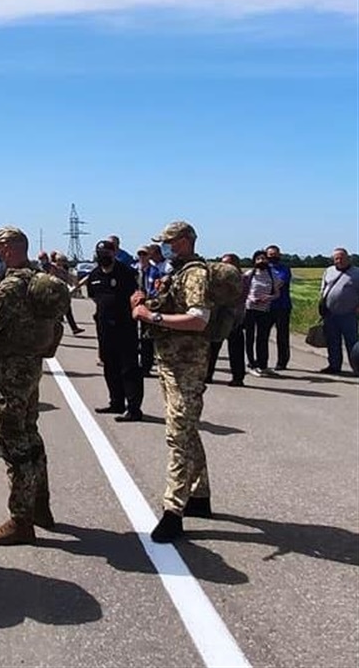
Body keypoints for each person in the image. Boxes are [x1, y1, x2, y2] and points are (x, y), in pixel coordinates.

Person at [0, 226, 54, 546]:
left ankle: (21, 519)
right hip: (31, 366)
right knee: (30, 434)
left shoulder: (12, 286)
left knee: (13, 442)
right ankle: (40, 506)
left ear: (8, 249)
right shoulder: (36, 278)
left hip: (9, 372)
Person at [132, 221, 214, 543]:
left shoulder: (195, 274)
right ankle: (200, 494)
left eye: (168, 242)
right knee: (186, 428)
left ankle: (172, 511)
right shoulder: (176, 272)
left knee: (177, 436)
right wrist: (143, 303)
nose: (163, 247)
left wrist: (151, 317)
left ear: (184, 241)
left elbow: (198, 319)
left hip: (187, 365)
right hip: (169, 361)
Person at [85, 240, 144, 422]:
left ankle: (133, 408)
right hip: (104, 328)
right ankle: (116, 402)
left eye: (107, 253)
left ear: (114, 253)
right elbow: (94, 296)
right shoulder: (94, 275)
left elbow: (138, 296)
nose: (103, 257)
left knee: (129, 369)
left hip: (125, 327)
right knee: (110, 367)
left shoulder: (127, 273)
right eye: (100, 253)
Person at [206, 254, 248, 387]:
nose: (225, 267)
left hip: (234, 317)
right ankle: (207, 374)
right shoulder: (217, 280)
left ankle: (238, 377)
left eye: (229, 264)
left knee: (236, 348)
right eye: (223, 264)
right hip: (218, 317)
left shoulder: (242, 279)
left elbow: (240, 298)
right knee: (212, 347)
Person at [318, 248, 359, 375]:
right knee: (332, 341)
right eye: (336, 258)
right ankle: (334, 366)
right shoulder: (328, 271)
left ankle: (356, 368)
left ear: (348, 258)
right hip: (330, 314)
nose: (339, 260)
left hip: (349, 314)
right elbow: (323, 288)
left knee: (352, 343)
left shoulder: (357, 273)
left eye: (342, 258)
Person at [242, 249, 281, 377]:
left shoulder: (272, 275)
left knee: (263, 338)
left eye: (263, 258)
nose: (261, 261)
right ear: (254, 261)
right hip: (250, 309)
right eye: (258, 259)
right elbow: (243, 291)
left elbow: (277, 293)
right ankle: (252, 364)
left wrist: (268, 298)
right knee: (250, 337)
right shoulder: (250, 274)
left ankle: (263, 365)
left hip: (264, 310)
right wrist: (250, 298)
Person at [135, 245, 164, 377]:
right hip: (134, 305)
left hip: (148, 305)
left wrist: (146, 300)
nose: (142, 257)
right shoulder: (134, 270)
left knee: (147, 337)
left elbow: (156, 289)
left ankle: (146, 366)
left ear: (149, 256)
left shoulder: (155, 271)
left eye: (144, 255)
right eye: (140, 255)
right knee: (134, 336)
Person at [264, 245, 293, 371]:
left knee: (282, 336)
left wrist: (264, 286)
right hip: (265, 307)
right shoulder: (262, 268)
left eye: (274, 254)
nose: (272, 257)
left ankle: (282, 362)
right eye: (270, 255)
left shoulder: (284, 269)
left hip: (282, 306)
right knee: (262, 335)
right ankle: (261, 361)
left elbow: (280, 283)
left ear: (279, 255)